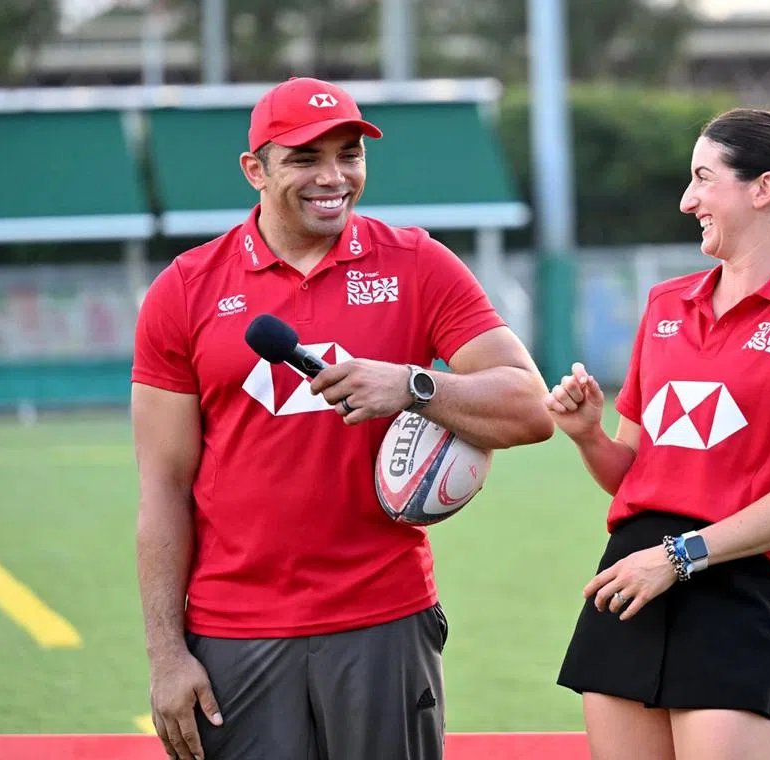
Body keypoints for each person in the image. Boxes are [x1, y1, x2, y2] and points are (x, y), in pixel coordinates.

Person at [130, 76, 553, 760]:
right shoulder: (184, 290)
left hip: (383, 621)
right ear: (255, 170)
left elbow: (530, 407)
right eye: (305, 158)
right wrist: (165, 656)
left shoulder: (418, 264)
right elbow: (162, 487)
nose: (334, 176)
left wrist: (414, 385)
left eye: (349, 154)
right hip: (235, 633)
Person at [546, 108, 770, 760]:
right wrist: (587, 436)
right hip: (629, 581)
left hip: (736, 585)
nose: (688, 201)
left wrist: (678, 557)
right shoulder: (664, 305)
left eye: (704, 179)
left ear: (763, 189)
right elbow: (633, 474)